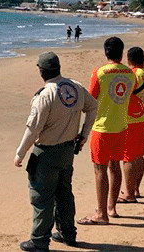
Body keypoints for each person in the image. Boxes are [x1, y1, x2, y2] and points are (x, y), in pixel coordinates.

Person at [15, 52, 97, 252]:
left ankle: (39, 240)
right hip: (67, 150)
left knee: (42, 196)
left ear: (41, 71)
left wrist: (20, 153)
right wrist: (83, 134)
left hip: (46, 152)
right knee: (64, 193)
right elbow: (93, 106)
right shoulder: (75, 87)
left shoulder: (45, 95)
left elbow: (33, 129)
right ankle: (68, 233)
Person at [78, 37, 135, 226]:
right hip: (121, 126)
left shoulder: (100, 72)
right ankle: (111, 208)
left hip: (102, 127)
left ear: (106, 52)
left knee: (99, 169)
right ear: (121, 52)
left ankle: (101, 213)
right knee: (115, 165)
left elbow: (90, 99)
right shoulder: (130, 73)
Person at [119, 47, 144, 203]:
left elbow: (124, 93)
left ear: (129, 60)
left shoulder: (133, 75)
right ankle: (136, 189)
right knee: (139, 155)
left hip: (131, 120)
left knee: (128, 157)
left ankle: (129, 194)